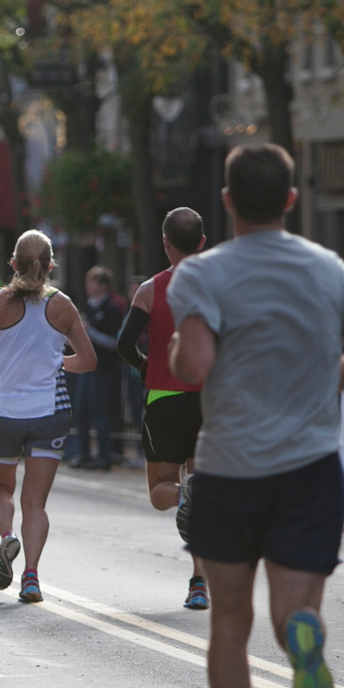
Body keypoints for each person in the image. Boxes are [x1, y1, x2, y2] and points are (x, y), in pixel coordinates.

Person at [167, 144, 344, 688]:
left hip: (230, 469)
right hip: (309, 468)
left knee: (229, 623)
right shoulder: (333, 271)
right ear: (292, 199)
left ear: (227, 200)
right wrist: (319, 376)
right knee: (292, 607)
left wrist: (178, 347)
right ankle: (303, 634)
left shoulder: (199, 275)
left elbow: (195, 363)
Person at [0, 231, 97, 604]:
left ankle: (6, 538)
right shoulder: (63, 305)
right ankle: (31, 577)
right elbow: (89, 360)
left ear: (13, 264)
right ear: (50, 266)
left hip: (2, 411)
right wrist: (52, 361)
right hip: (51, 412)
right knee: (36, 503)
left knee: (0, 489)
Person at [116, 207, 214, 610]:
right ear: (203, 243)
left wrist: (145, 368)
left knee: (161, 492)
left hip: (164, 399)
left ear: (165, 243)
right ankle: (198, 584)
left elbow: (124, 345)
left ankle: (185, 495)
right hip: (211, 400)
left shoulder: (150, 290)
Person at [69, 265, 125, 469]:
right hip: (85, 367)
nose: (88, 286)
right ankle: (83, 453)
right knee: (81, 411)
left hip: (103, 369)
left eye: (93, 282)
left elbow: (113, 342)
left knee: (100, 413)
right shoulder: (87, 306)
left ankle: (105, 455)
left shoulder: (111, 309)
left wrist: (89, 331)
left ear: (103, 286)